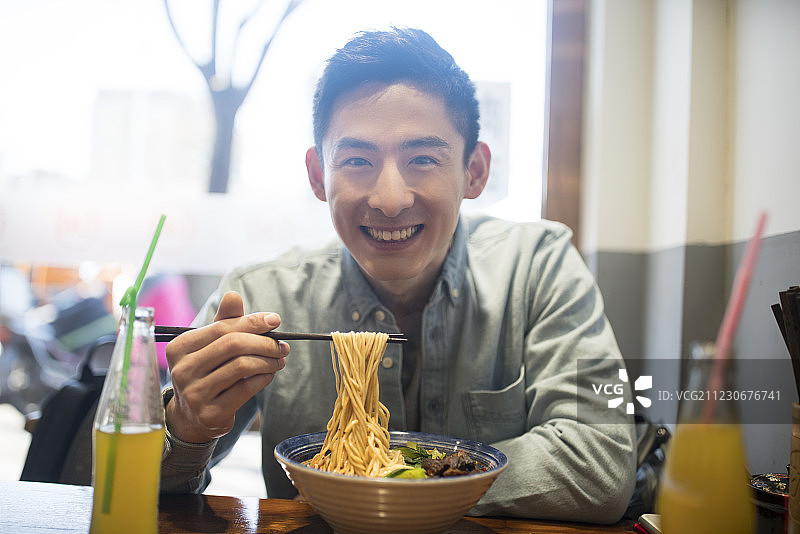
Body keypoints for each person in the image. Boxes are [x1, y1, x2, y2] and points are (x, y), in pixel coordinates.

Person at [160, 27, 636, 523]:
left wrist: (391, 481)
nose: (390, 199)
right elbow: (141, 483)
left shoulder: (537, 266)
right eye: (358, 160)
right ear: (319, 175)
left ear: (474, 171)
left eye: (423, 159)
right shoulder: (263, 293)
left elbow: (598, 458)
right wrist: (186, 424)